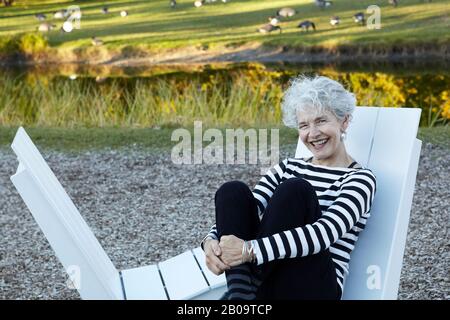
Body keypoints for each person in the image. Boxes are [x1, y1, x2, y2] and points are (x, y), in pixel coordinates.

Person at [201, 75, 377, 300]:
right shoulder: (287, 167)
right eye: (304, 125)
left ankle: (244, 294)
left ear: (344, 121)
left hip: (315, 286)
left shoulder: (360, 180)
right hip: (268, 277)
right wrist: (210, 242)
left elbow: (324, 234)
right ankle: (240, 294)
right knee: (232, 191)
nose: (313, 134)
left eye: (321, 121)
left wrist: (249, 250)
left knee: (296, 191)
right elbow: (244, 212)